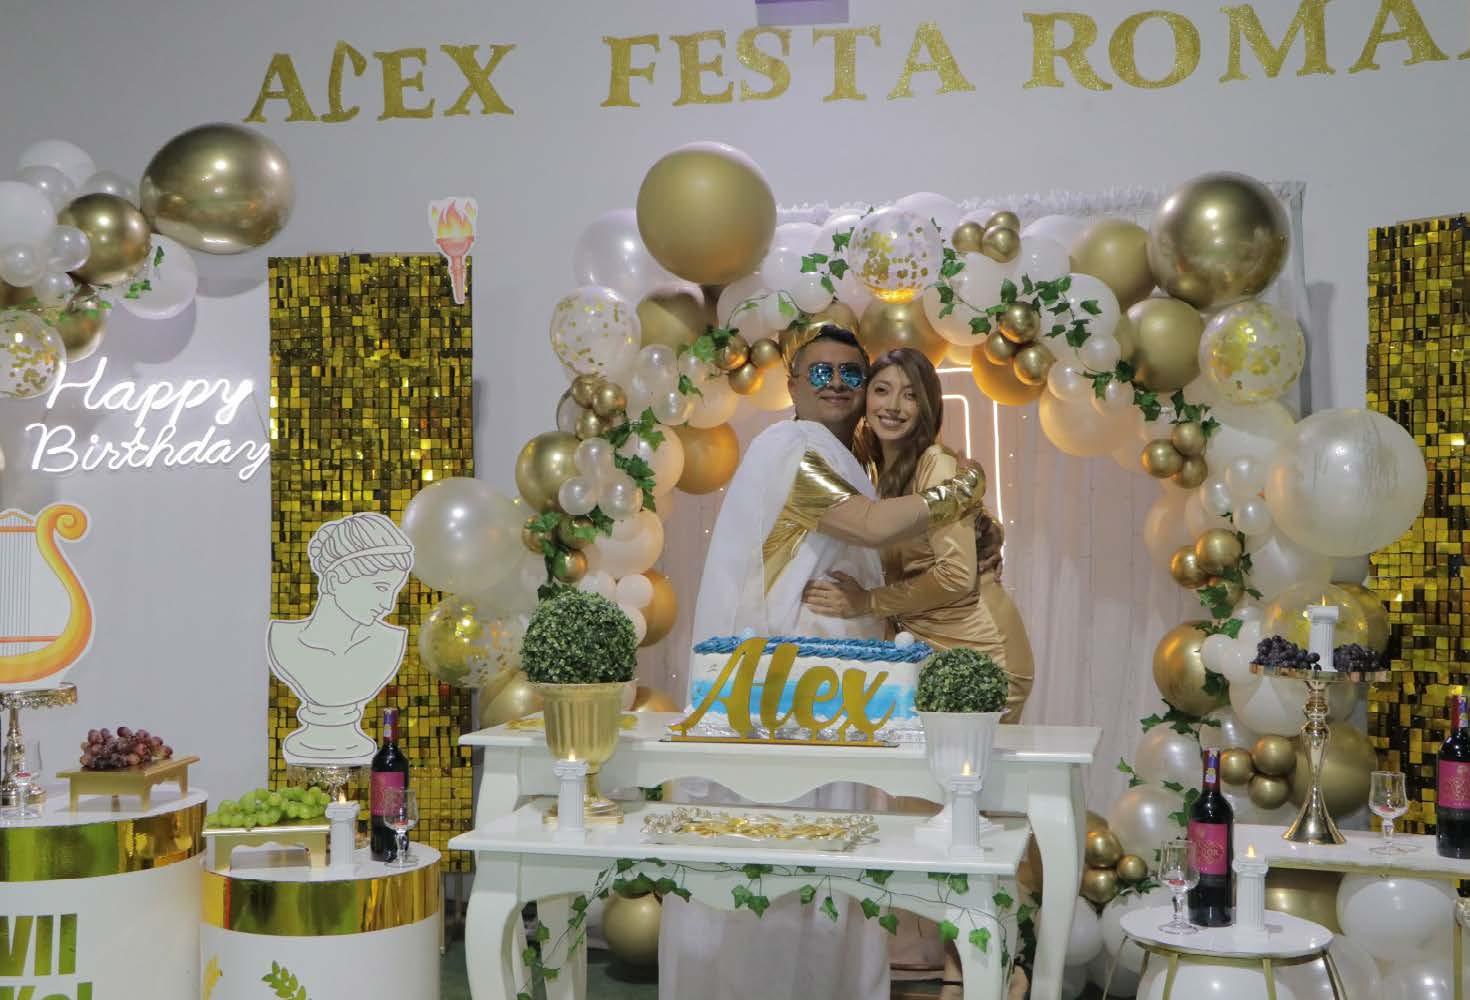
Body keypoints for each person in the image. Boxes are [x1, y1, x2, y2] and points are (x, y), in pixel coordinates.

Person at [662, 327, 990, 1000]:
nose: (837, 384)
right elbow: (866, 525)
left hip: (831, 686)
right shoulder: (788, 449)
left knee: (836, 855)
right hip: (783, 693)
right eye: (821, 373)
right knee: (777, 859)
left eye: (850, 373)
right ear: (792, 385)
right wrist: (963, 490)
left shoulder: (842, 457)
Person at [800, 348, 1034, 723]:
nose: (893, 406)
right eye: (882, 390)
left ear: (927, 407)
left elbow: (956, 576)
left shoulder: (935, 464)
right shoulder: (872, 469)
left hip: (977, 653)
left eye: (910, 395)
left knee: (957, 762)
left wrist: (867, 602)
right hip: (922, 651)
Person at [268, 512, 414, 764]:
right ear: (335, 580)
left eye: (394, 590)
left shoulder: (389, 643)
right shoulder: (281, 640)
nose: (388, 604)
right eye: (380, 587)